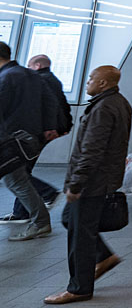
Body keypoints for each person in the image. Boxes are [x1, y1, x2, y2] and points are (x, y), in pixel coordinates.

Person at [43, 66, 131, 305]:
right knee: (70, 220)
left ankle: (79, 288)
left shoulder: (103, 108)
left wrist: (76, 183)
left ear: (103, 83)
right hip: (102, 179)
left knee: (80, 235)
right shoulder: (118, 102)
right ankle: (104, 257)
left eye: (91, 78)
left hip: (93, 182)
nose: (87, 82)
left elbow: (92, 150)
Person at [1, 54, 70, 225]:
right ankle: (24, 213)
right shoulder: (35, 77)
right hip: (31, 135)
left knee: (17, 177)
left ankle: (43, 203)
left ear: (38, 65)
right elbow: (52, 103)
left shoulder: (9, 76)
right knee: (18, 175)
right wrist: (51, 127)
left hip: (15, 136)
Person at [0, 42, 51, 241]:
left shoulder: (5, 77)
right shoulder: (31, 75)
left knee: (17, 182)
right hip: (23, 140)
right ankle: (41, 221)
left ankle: (41, 222)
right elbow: (50, 103)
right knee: (17, 181)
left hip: (7, 140)